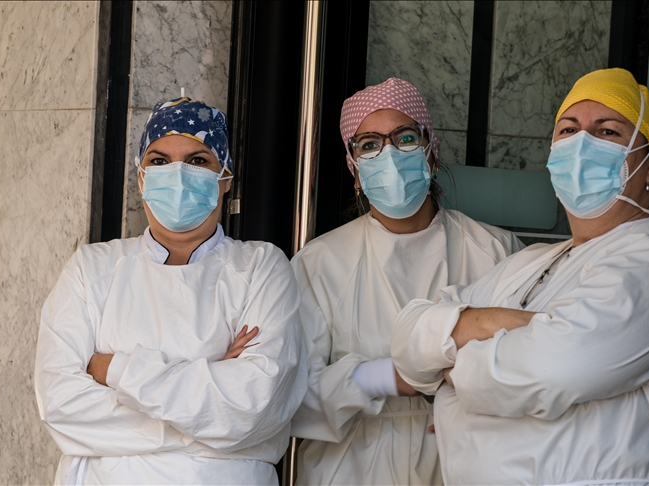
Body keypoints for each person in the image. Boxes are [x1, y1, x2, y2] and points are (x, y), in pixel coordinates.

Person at [392, 68, 649, 484]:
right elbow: (407, 337)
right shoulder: (531, 261)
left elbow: (554, 367)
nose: (582, 144)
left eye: (608, 132)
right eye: (569, 130)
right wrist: (494, 322)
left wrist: (452, 367)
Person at [34, 97, 307, 485]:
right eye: (159, 161)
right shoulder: (90, 269)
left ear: (225, 178)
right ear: (141, 178)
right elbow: (60, 405)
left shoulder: (261, 267)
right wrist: (209, 411)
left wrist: (116, 370)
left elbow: (255, 408)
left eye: (197, 160)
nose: (177, 174)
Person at [289, 78, 524, 485]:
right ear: (355, 170)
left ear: (431, 152)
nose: (390, 155)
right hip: (352, 470)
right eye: (369, 145)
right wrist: (389, 379)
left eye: (406, 138)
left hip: (465, 461)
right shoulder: (319, 263)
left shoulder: (495, 251)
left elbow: (531, 365)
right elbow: (289, 398)